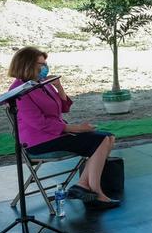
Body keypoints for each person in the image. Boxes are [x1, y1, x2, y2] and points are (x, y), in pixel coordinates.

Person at [7, 47, 118, 209]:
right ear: (27, 64)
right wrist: (77, 128)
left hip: (55, 134)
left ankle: (82, 186)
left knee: (109, 137)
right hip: (39, 141)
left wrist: (58, 87)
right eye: (41, 64)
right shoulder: (18, 91)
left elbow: (63, 107)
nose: (45, 67)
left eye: (45, 63)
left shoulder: (40, 83)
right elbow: (40, 123)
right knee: (101, 140)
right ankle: (96, 193)